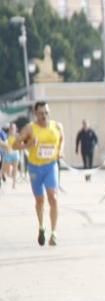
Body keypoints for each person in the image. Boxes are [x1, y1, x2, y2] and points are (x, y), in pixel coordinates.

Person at [13, 102, 64, 245]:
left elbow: (62, 138)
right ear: (36, 114)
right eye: (41, 113)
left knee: (53, 198)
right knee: (40, 200)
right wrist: (28, 145)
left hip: (51, 166)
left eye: (46, 112)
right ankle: (42, 227)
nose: (44, 116)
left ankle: (54, 233)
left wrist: (60, 151)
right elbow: (14, 145)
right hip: (35, 168)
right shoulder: (30, 128)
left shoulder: (56, 126)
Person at [1, 123, 20, 189]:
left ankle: (14, 184)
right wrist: (6, 149)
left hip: (15, 154)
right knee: (3, 170)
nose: (12, 129)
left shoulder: (18, 136)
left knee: (15, 169)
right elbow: (3, 145)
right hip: (8, 154)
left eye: (13, 128)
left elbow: (21, 144)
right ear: (9, 129)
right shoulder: (6, 136)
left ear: (16, 129)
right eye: (11, 128)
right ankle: (3, 178)